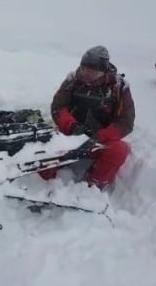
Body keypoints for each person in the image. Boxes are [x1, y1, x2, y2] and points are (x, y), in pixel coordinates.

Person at [49, 45, 135, 190]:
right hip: (69, 134)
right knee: (45, 149)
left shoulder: (119, 87)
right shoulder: (72, 80)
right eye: (83, 67)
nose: (85, 72)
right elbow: (58, 107)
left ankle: (92, 186)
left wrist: (100, 136)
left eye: (91, 70)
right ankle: (46, 186)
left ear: (102, 71)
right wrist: (71, 125)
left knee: (118, 150)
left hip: (99, 140)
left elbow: (126, 122)